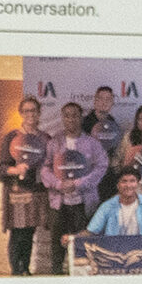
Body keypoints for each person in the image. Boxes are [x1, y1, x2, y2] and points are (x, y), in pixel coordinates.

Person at [44, 102, 108, 274]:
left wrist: (78, 183)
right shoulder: (54, 143)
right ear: (62, 118)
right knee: (57, 244)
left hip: (83, 203)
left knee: (82, 243)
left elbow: (102, 166)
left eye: (74, 115)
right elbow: (45, 168)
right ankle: (56, 276)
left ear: (81, 118)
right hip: (59, 203)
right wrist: (58, 184)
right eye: (67, 115)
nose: (71, 119)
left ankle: (82, 277)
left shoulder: (92, 143)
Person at [0, 99, 50, 276]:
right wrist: (16, 169)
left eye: (34, 110)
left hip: (36, 192)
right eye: (26, 111)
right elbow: (1, 168)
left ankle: (25, 269)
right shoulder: (12, 137)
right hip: (17, 192)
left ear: (39, 112)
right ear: (21, 113)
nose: (30, 114)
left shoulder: (45, 138)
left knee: (29, 232)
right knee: (17, 233)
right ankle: (15, 271)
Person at [86, 168, 142, 236]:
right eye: (124, 181)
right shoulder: (106, 206)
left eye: (132, 181)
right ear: (118, 185)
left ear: (138, 184)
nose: (128, 185)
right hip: (115, 251)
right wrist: (77, 239)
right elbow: (91, 231)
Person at [86, 85, 125, 156]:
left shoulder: (113, 123)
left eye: (108, 99)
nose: (104, 102)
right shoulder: (84, 123)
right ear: (95, 101)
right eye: (101, 99)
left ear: (112, 103)